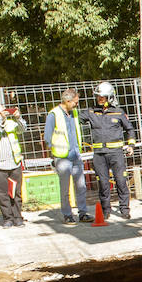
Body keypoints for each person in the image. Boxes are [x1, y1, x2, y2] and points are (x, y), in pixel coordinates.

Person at [84, 81, 137, 219]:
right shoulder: (91, 111)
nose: (99, 99)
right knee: (103, 183)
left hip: (116, 154)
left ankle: (124, 209)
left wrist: (131, 145)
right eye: (98, 97)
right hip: (99, 155)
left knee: (121, 181)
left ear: (110, 97)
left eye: (102, 97)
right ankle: (105, 211)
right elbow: (75, 118)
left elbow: (130, 129)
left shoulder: (118, 112)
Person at [44, 88, 92, 224]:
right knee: (65, 188)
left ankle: (83, 213)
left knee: (81, 186)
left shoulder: (74, 113)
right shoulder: (53, 114)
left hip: (76, 155)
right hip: (62, 157)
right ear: (67, 101)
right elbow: (47, 137)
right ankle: (67, 214)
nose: (77, 105)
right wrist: (54, 153)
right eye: (75, 102)